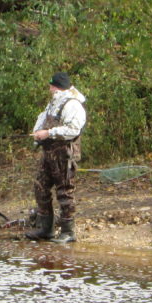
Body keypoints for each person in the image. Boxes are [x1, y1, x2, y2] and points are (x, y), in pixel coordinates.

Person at [26, 72, 86, 244]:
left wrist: (49, 133)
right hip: (48, 153)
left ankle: (68, 232)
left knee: (65, 192)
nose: (50, 88)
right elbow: (43, 118)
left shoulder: (73, 105)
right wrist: (38, 133)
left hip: (64, 155)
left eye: (52, 85)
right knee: (40, 186)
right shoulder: (54, 103)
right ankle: (46, 229)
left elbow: (73, 130)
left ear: (57, 87)